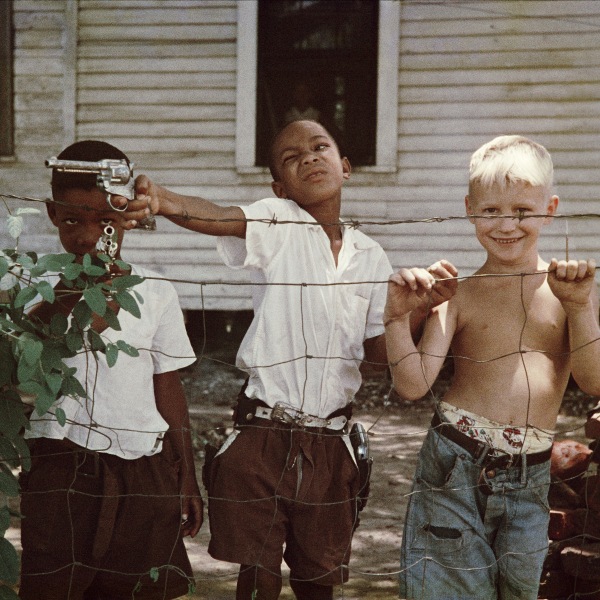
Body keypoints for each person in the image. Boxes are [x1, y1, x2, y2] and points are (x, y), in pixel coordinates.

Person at [119, 119, 455, 600]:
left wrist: (416, 311)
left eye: (320, 148)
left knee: (319, 579)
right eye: (292, 158)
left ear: (345, 165)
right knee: (256, 577)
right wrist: (164, 200)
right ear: (279, 186)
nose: (310, 157)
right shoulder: (279, 222)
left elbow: (378, 358)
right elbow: (215, 216)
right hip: (264, 433)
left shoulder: (370, 256)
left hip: (333, 441)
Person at [384, 134, 600, 600]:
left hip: (530, 474)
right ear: (469, 209)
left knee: (518, 591)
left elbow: (594, 381)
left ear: (550, 207)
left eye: (522, 210)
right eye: (491, 211)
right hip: (455, 464)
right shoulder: (457, 291)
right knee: (448, 589)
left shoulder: (570, 291)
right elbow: (413, 384)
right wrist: (398, 318)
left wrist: (581, 308)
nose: (506, 224)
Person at [19, 140, 202, 600]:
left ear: (129, 216)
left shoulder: (155, 290)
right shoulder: (32, 285)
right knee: (56, 585)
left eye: (105, 221)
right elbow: (32, 354)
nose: (87, 236)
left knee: (136, 589)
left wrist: (187, 473)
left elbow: (168, 385)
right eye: (72, 220)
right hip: (62, 463)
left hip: (144, 466)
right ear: (51, 213)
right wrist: (71, 292)